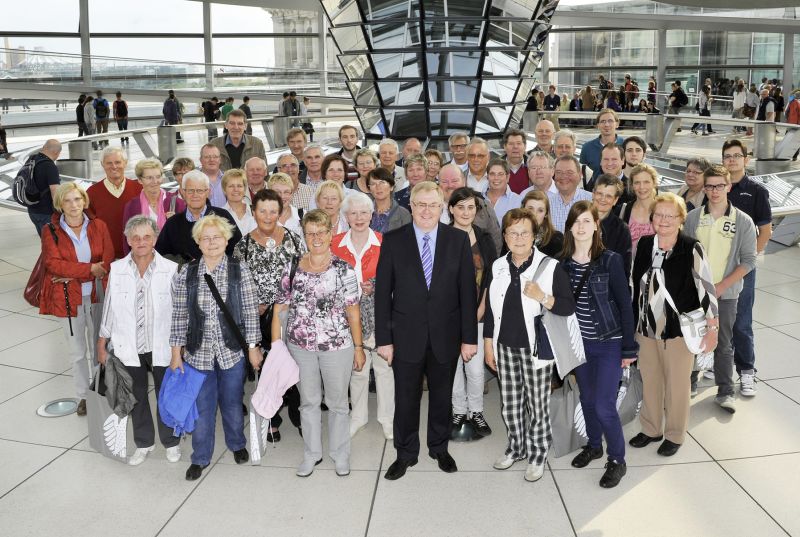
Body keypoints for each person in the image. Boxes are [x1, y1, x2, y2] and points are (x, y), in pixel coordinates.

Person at [376, 182, 478, 481]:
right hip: (405, 335)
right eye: (420, 204)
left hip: (446, 336)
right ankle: (405, 453)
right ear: (411, 207)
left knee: (442, 396)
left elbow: (467, 294)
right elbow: (383, 293)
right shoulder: (393, 240)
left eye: (432, 205)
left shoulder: (457, 240)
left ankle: (439, 447)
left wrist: (469, 338)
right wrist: (384, 339)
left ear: (442, 208)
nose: (426, 210)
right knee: (406, 399)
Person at [485, 208, 575, 482]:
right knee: (510, 403)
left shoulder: (550, 266)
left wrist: (543, 296)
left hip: (537, 348)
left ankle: (538, 453)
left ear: (535, 236)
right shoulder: (498, 266)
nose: (519, 238)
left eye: (525, 232)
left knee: (537, 404)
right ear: (505, 236)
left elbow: (568, 306)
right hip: (504, 346)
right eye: (513, 232)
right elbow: (490, 310)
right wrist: (488, 344)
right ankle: (516, 447)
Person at [272, 209, 365, 477]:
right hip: (300, 347)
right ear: (304, 234)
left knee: (337, 403)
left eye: (321, 232)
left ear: (330, 233)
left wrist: (358, 348)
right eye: (310, 232)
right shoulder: (291, 267)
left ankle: (340, 454)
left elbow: (353, 311)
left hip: (338, 346)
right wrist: (277, 345)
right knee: (308, 402)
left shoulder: (343, 269)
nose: (316, 237)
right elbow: (281, 307)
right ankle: (312, 454)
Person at [170, 215, 261, 481]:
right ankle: (200, 457)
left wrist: (254, 347)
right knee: (202, 407)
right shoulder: (186, 273)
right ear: (198, 242)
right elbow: (178, 316)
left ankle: (237, 444)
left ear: (226, 239)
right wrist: (176, 352)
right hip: (198, 354)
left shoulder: (239, 270)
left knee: (233, 402)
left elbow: (250, 313)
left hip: (231, 351)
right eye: (205, 238)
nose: (211, 243)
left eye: (217, 237)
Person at [630, 193, 719, 457]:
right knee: (650, 381)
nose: (664, 220)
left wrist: (712, 328)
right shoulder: (645, 244)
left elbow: (707, 288)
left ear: (681, 219)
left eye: (671, 215)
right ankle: (651, 428)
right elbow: (635, 285)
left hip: (678, 332)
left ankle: (675, 434)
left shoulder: (691, 247)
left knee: (678, 385)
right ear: (652, 218)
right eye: (659, 215)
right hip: (646, 330)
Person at [559, 201, 637, 488]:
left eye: (586, 221)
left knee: (604, 405)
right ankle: (594, 445)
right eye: (575, 222)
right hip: (579, 346)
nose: (580, 227)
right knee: (588, 401)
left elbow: (625, 306)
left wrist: (629, 348)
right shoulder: (562, 263)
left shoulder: (610, 260)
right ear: (569, 227)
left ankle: (617, 459)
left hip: (608, 343)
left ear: (596, 225)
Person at [97, 216, 181, 466]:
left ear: (155, 239)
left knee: (166, 396)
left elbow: (179, 312)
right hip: (128, 345)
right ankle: (144, 442)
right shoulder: (117, 269)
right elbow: (109, 308)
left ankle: (171, 441)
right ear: (128, 240)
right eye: (135, 237)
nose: (141, 242)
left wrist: (179, 347)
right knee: (136, 396)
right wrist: (102, 343)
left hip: (162, 345)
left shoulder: (171, 269)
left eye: (146, 237)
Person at [233, 188, 305, 441]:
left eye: (273, 211)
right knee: (267, 368)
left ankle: (299, 416)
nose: (267, 216)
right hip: (259, 318)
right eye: (262, 210)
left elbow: (305, 273)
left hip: (292, 315)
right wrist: (254, 305)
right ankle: (271, 418)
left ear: (280, 211)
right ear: (254, 212)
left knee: (296, 367)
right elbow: (237, 285)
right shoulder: (243, 245)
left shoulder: (295, 239)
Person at [684, 165, 757, 409]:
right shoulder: (693, 218)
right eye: (710, 186)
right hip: (694, 293)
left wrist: (722, 285)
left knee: (723, 342)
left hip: (725, 295)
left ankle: (725, 390)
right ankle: (691, 381)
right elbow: (684, 254)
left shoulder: (742, 221)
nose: (714, 191)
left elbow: (748, 260)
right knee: (693, 338)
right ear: (704, 188)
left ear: (729, 186)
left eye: (719, 186)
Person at [40, 182, 114, 417]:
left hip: (96, 296)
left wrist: (71, 272)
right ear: (60, 204)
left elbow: (108, 259)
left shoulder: (99, 226)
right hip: (68, 300)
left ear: (85, 201)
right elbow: (53, 264)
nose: (74, 205)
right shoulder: (50, 231)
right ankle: (83, 395)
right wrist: (90, 268)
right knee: (77, 352)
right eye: (68, 200)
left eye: (77, 199)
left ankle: (98, 390)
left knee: (99, 347)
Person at [330, 192, 394, 440]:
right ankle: (358, 416)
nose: (359, 218)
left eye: (364, 212)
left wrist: (376, 285)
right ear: (346, 216)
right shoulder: (333, 244)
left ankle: (387, 418)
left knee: (384, 368)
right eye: (353, 213)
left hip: (379, 314)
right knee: (357, 369)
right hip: (345, 317)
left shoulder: (384, 242)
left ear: (372, 215)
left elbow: (395, 278)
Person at [447, 187, 498, 436]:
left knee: (476, 369)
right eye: (460, 207)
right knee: (454, 367)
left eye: (471, 207)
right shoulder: (441, 237)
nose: (466, 212)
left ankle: (476, 411)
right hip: (448, 317)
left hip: (479, 314)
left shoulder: (485, 239)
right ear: (451, 209)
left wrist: (478, 312)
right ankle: (458, 411)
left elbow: (491, 278)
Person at [722, 140, 771, 396]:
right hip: (717, 266)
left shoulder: (756, 191)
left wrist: (750, 260)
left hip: (743, 267)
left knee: (741, 320)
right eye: (727, 156)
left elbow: (765, 230)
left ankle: (747, 370)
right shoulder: (718, 188)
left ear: (746, 159)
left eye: (736, 156)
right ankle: (721, 363)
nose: (732, 160)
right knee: (719, 318)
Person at [155, 169, 242, 263]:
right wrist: (181, 263)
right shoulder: (172, 223)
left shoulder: (223, 216)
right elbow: (160, 256)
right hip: (185, 276)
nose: (195, 195)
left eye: (200, 190)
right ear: (183, 192)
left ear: (208, 192)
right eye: (190, 191)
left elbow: (238, 248)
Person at [86, 147, 143, 259]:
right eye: (109, 163)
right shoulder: (92, 193)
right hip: (107, 257)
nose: (114, 167)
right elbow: (89, 228)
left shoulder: (139, 189)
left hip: (138, 254)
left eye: (118, 162)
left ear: (125, 163)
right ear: (102, 164)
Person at [121, 158, 185, 254]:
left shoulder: (177, 203)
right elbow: (127, 239)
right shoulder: (132, 206)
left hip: (171, 261)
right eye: (149, 178)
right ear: (139, 180)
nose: (155, 181)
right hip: (142, 260)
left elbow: (186, 236)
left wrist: (175, 223)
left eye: (158, 176)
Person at [438, 163, 503, 252]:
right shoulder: (431, 208)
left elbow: (496, 240)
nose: (450, 185)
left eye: (455, 181)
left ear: (464, 181)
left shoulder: (483, 206)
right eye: (444, 181)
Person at [591, 174, 633, 277]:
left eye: (608, 196)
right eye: (599, 193)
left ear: (615, 200)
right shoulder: (577, 220)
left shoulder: (622, 230)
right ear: (593, 194)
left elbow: (623, 269)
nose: (602, 199)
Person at [618, 163, 657, 256]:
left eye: (646, 182)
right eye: (637, 182)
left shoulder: (663, 210)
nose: (642, 187)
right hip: (626, 267)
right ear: (631, 186)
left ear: (654, 183)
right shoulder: (623, 210)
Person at [25, 139, 62, 235]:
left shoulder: (31, 159)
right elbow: (55, 191)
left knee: (45, 241)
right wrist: (61, 211)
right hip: (46, 213)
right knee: (53, 243)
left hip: (32, 211)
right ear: (55, 152)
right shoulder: (50, 166)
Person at [548, 156, 593, 232]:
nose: (564, 176)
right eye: (559, 172)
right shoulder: (546, 204)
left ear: (580, 175)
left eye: (569, 172)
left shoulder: (592, 200)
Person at [580, 109, 624, 185]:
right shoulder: (587, 148)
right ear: (597, 125)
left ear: (617, 124)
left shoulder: (625, 145)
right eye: (602, 121)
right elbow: (582, 174)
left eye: (610, 121)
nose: (606, 124)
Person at [521, 190, 563, 258]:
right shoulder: (512, 235)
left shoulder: (556, 239)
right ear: (523, 209)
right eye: (530, 209)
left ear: (546, 214)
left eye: (540, 210)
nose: (534, 214)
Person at [368, 167, 411, 234]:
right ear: (369, 189)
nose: (378, 187)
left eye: (382, 182)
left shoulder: (403, 214)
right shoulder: (364, 211)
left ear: (391, 187)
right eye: (373, 184)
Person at [483, 158, 521, 226]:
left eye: (500, 174)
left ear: (508, 177)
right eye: (492, 174)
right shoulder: (479, 199)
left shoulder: (518, 201)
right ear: (487, 177)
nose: (496, 178)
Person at [222, 168, 256, 236]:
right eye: (231, 186)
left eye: (239, 186)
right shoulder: (219, 215)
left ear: (244, 189)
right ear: (224, 189)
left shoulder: (256, 211)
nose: (236, 189)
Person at [502, 128, 528, 194]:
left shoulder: (533, 166)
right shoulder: (496, 166)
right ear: (504, 146)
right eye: (511, 144)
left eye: (519, 143)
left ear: (525, 146)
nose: (515, 147)